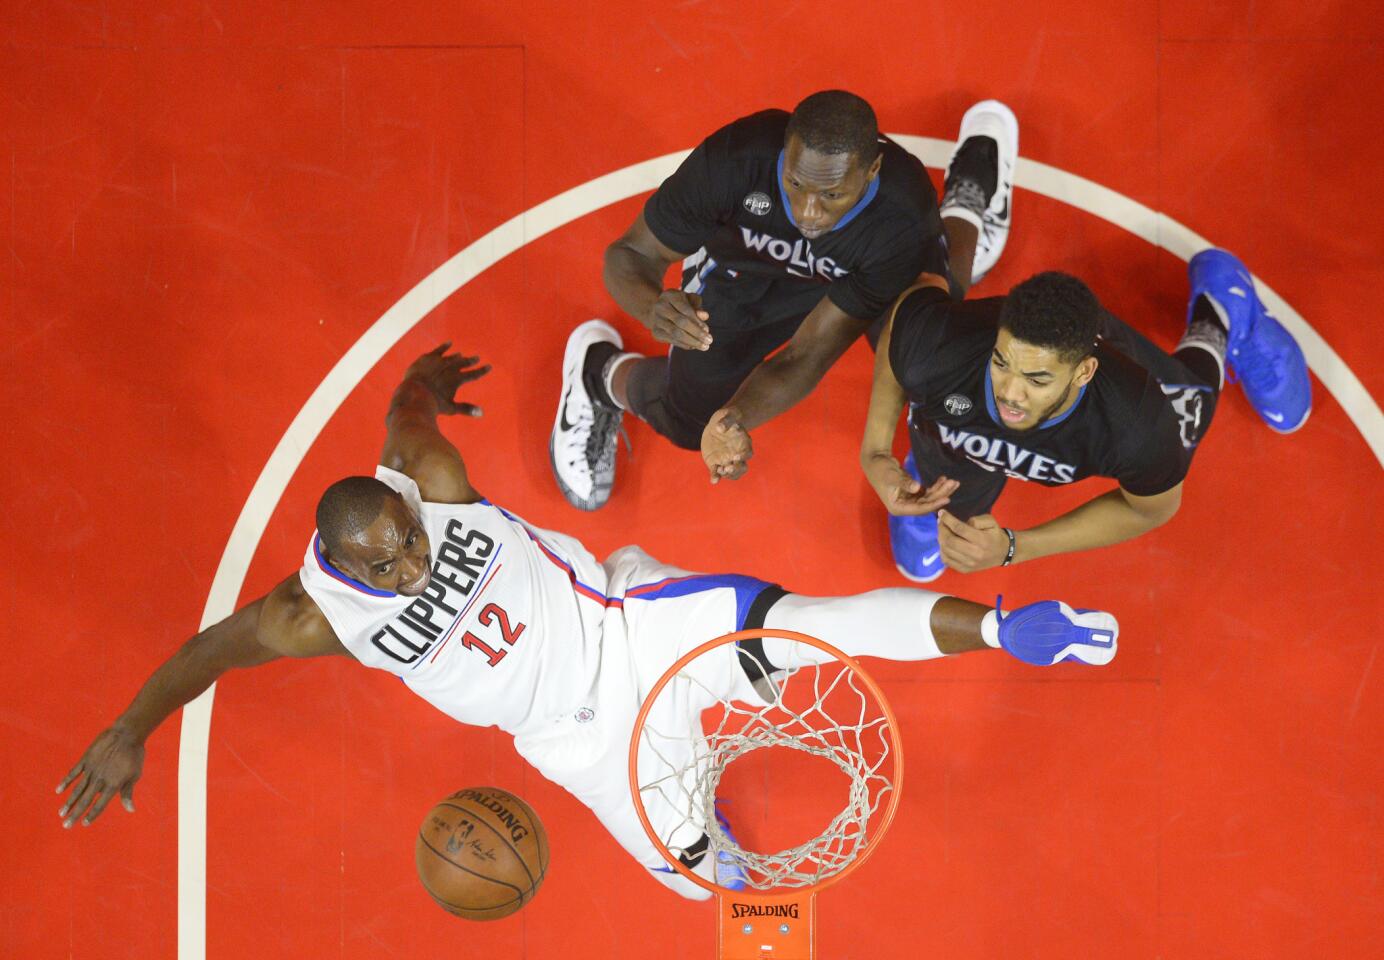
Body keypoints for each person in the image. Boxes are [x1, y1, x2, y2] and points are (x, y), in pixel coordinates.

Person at [59, 345, 1120, 901]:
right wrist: (127, 729)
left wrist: (428, 381)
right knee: (703, 878)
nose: (420, 554)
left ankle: (999, 630)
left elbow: (408, 414)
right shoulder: (309, 616)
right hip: (577, 741)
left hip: (629, 625)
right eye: (397, 558)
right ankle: (752, 907)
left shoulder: (422, 479)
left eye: (417, 536)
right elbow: (206, 654)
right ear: (347, 563)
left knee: (811, 629)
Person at [549, 91, 1019, 509]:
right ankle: (598, 374)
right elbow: (629, 254)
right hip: (741, 274)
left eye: (832, 194)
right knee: (690, 423)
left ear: (871, 170)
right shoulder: (736, 161)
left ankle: (971, 189)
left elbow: (807, 354)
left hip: (857, 271)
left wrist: (739, 414)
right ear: (784, 155)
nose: (807, 213)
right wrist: (654, 307)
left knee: (932, 350)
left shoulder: (899, 216)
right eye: (795, 185)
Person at [860, 248, 1312, 582]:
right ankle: (942, 498)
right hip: (955, 440)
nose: (1010, 394)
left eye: (1037, 379)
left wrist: (1014, 548)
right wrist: (877, 452)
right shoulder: (941, 345)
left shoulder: (1137, 423)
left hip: (1122, 378)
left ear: (1083, 372)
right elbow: (905, 320)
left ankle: (1227, 310)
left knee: (1192, 409)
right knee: (947, 440)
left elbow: (1149, 511)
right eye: (1002, 364)